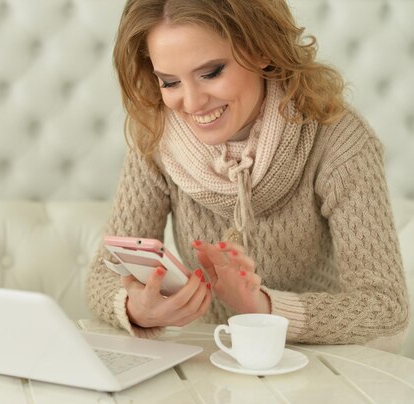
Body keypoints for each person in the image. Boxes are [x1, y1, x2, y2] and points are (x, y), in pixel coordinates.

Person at [86, 0, 409, 350]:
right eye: (170, 82)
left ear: (261, 50)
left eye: (211, 73)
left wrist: (266, 309)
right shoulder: (156, 138)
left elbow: (386, 306)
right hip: (210, 360)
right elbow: (101, 278)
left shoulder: (339, 141)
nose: (192, 104)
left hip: (315, 361)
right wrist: (138, 308)